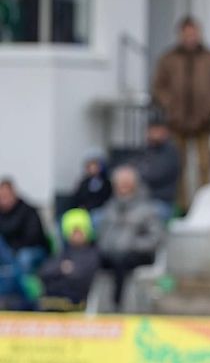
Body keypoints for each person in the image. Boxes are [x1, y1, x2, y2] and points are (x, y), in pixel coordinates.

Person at [151, 16, 210, 212]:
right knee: (179, 167)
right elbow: (158, 86)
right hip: (177, 123)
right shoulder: (169, 59)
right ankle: (182, 208)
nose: (190, 38)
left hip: (203, 122)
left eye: (193, 34)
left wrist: (209, 105)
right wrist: (170, 106)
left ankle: (206, 207)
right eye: (186, 34)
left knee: (204, 166)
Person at [97, 166, 164, 309]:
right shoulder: (110, 207)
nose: (123, 187)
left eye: (127, 183)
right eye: (120, 183)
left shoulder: (147, 208)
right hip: (112, 252)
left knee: (121, 260)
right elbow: (103, 234)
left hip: (138, 254)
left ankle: (117, 305)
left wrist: (132, 244)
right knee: (90, 259)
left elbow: (155, 238)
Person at [36, 208, 100, 310]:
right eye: (73, 231)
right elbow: (44, 272)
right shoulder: (64, 252)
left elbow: (81, 277)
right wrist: (62, 268)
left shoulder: (92, 253)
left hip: (76, 302)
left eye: (80, 231)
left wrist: (59, 273)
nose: (77, 235)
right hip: (54, 300)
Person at [129, 118, 181, 223]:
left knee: (138, 217)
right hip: (140, 201)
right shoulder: (146, 151)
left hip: (161, 203)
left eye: (156, 131)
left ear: (165, 132)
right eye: (151, 131)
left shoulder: (170, 153)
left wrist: (136, 175)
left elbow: (156, 174)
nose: (153, 134)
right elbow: (131, 166)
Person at [0, 177, 48, 274]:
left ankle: (22, 287)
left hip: (31, 249)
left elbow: (33, 237)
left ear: (14, 194)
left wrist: (13, 249)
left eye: (6, 196)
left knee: (24, 258)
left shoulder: (28, 211)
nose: (3, 200)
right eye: (1, 197)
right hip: (7, 251)